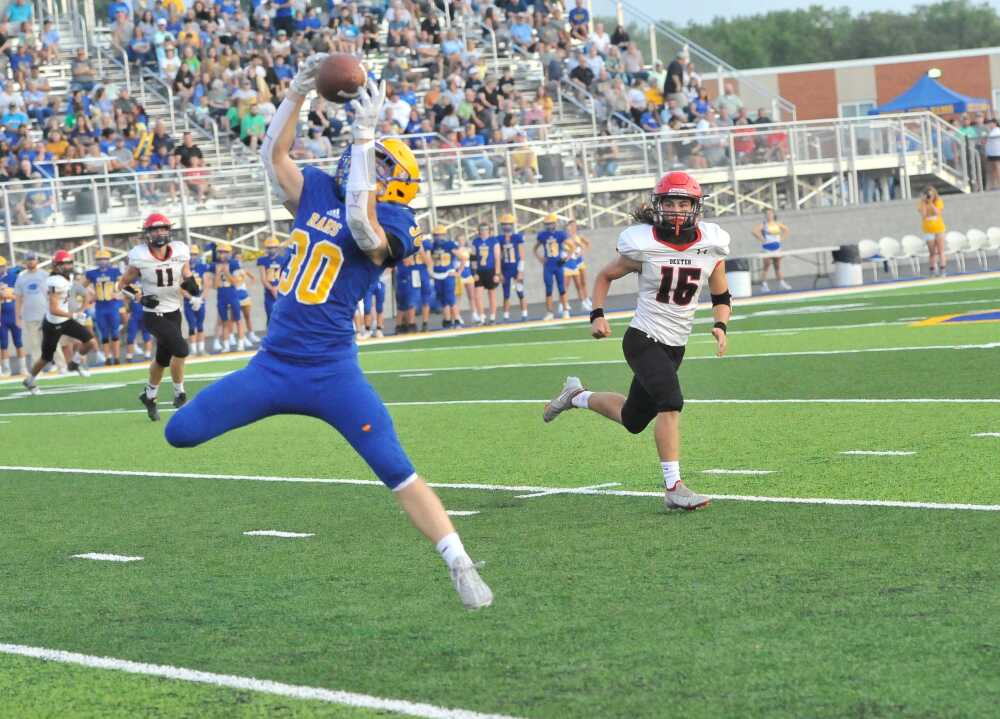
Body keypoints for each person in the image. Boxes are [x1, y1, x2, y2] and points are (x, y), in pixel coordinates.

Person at [165, 59, 492, 610]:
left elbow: (363, 227)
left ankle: (459, 561)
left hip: (331, 372)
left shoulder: (396, 222)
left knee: (394, 465)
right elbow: (274, 156)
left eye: (385, 167)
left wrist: (365, 139)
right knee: (181, 433)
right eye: (375, 161)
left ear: (399, 187)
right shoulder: (318, 190)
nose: (373, 167)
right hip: (270, 368)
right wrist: (294, 94)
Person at [543, 171, 732, 511]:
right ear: (659, 206)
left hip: (676, 344)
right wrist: (597, 313)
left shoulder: (711, 245)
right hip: (643, 338)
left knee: (633, 419)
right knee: (671, 401)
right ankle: (674, 486)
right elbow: (604, 275)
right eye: (670, 203)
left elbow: (721, 294)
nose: (676, 210)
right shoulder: (643, 244)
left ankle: (576, 396)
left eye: (683, 203)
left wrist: (721, 325)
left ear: (695, 207)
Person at [118, 214, 202, 419]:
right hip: (153, 314)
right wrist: (140, 298)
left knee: (162, 359)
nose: (160, 233)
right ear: (147, 234)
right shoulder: (140, 256)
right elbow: (122, 285)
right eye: (155, 230)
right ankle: (180, 394)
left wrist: (191, 287)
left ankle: (150, 395)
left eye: (163, 228)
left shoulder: (180, 251)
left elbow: (186, 275)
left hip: (174, 310)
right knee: (181, 349)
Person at [22, 251, 99, 394]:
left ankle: (74, 363)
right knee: (46, 358)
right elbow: (53, 309)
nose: (69, 266)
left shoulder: (67, 278)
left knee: (91, 342)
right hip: (53, 324)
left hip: (66, 319)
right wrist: (74, 314)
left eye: (70, 263)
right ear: (57, 266)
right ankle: (30, 380)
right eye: (65, 263)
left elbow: (84, 293)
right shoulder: (54, 281)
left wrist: (82, 309)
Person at [82, 249, 123, 365]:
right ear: (96, 261)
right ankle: (107, 357)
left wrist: (118, 294)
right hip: (100, 307)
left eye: (104, 259)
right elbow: (80, 287)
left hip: (112, 306)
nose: (102, 261)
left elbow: (124, 285)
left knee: (115, 332)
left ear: (109, 260)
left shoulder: (115, 272)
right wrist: (90, 296)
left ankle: (117, 357)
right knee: (104, 333)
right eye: (100, 259)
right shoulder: (92, 273)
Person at [13, 251, 48, 369]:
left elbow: (53, 295)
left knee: (51, 342)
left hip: (46, 314)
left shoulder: (45, 275)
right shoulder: (21, 278)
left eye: (32, 259)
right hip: (29, 316)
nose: (31, 261)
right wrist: (18, 317)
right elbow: (18, 300)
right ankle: (38, 368)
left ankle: (60, 366)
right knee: (34, 345)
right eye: (28, 259)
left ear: (37, 261)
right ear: (25, 261)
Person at [212, 242, 247, 351]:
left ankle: (241, 343)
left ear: (229, 253)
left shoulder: (234, 263)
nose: (223, 255)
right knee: (224, 320)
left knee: (238, 318)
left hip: (232, 292)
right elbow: (215, 285)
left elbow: (236, 282)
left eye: (225, 252)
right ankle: (226, 345)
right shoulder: (215, 264)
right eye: (221, 252)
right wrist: (218, 273)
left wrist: (226, 272)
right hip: (221, 293)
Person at [534, 214, 569, 320]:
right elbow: (535, 249)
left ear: (555, 223)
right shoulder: (542, 235)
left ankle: (565, 310)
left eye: (551, 223)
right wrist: (540, 258)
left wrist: (566, 257)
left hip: (558, 264)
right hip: (548, 265)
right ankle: (549, 312)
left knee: (562, 288)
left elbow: (571, 247)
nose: (549, 225)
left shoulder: (560, 234)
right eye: (547, 224)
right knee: (549, 289)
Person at [497, 213, 527, 322]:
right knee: (506, 294)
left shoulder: (517, 237)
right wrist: (499, 272)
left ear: (512, 225)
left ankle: (524, 314)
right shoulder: (499, 238)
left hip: (515, 268)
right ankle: (505, 316)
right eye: (504, 224)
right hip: (505, 269)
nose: (506, 226)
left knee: (520, 291)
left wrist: (520, 271)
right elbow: (498, 256)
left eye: (508, 224)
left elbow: (522, 255)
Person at [752, 209, 791, 292]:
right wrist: (762, 239)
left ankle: (781, 282)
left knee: (777, 266)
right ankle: (764, 285)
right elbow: (754, 231)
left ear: (773, 215)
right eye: (767, 214)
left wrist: (781, 239)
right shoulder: (764, 224)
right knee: (766, 267)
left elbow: (787, 230)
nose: (769, 215)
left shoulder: (777, 223)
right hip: (767, 249)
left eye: (770, 214)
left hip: (777, 248)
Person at [182, 244, 210, 355]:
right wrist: (192, 298)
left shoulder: (202, 267)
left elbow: (207, 284)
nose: (192, 257)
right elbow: (181, 287)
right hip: (188, 300)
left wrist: (201, 298)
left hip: (200, 298)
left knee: (200, 324)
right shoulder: (182, 269)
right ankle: (193, 350)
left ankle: (201, 349)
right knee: (192, 325)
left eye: (194, 254)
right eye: (190, 255)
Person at [430, 226, 459, 329]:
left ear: (444, 235)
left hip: (448, 274)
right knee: (443, 300)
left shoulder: (449, 245)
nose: (438, 237)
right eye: (436, 235)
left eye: (439, 235)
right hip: (437, 275)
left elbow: (462, 256)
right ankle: (447, 320)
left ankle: (457, 320)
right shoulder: (432, 246)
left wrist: (458, 271)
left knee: (451, 299)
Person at [472, 221, 501, 325]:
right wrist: (474, 272)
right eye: (482, 229)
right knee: (477, 295)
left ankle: (492, 317)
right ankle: (482, 317)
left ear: (489, 231)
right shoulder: (476, 241)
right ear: (479, 231)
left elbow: (497, 258)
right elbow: (474, 258)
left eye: (486, 229)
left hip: (490, 270)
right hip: (480, 271)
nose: (484, 231)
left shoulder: (494, 241)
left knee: (491, 294)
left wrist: (497, 273)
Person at [0, 255, 25, 375]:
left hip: (13, 312)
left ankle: (23, 368)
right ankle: (6, 369)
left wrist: (8, 294)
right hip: (1, 315)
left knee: (19, 341)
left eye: (2, 266)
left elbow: (21, 295)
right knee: (3, 343)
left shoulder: (13, 277)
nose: (1, 268)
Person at [563, 219, 592, 312]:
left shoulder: (579, 236)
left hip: (580, 262)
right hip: (571, 262)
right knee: (576, 283)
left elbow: (587, 244)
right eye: (571, 226)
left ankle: (586, 299)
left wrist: (582, 252)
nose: (573, 227)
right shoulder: (566, 237)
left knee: (583, 282)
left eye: (574, 226)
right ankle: (566, 303)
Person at [918, 186, 947, 277]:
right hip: (928, 230)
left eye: (931, 194)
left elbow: (937, 212)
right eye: (928, 194)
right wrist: (924, 202)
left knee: (941, 251)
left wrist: (931, 203)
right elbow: (923, 215)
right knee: (932, 252)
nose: (929, 196)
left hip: (939, 229)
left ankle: (942, 269)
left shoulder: (938, 201)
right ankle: (932, 270)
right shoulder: (921, 203)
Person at [255, 237, 285, 325]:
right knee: (271, 316)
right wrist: (272, 289)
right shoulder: (262, 260)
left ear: (277, 248)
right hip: (269, 292)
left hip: (281, 291)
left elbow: (284, 276)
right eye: (269, 248)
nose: (271, 250)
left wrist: (278, 288)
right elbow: (263, 279)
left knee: (283, 317)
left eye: (273, 247)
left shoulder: (282, 259)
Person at [362, 274, 386, 338]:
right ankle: (367, 330)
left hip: (379, 282)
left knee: (379, 307)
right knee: (367, 308)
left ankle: (379, 329)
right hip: (368, 283)